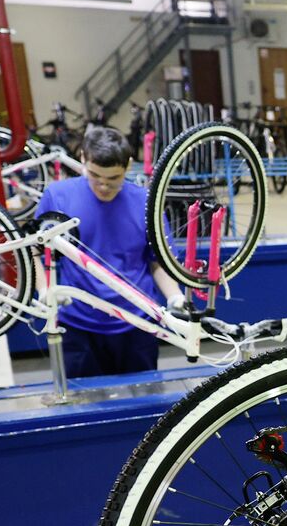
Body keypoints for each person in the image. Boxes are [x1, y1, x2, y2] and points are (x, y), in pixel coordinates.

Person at [36, 127, 185, 377]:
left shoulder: (146, 203)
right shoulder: (58, 196)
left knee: (145, 403)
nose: (103, 186)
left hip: (138, 324)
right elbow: (34, 250)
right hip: (79, 325)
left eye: (113, 179)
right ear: (83, 159)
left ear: (127, 166)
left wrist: (175, 297)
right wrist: (43, 289)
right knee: (84, 407)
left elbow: (157, 261)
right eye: (95, 176)